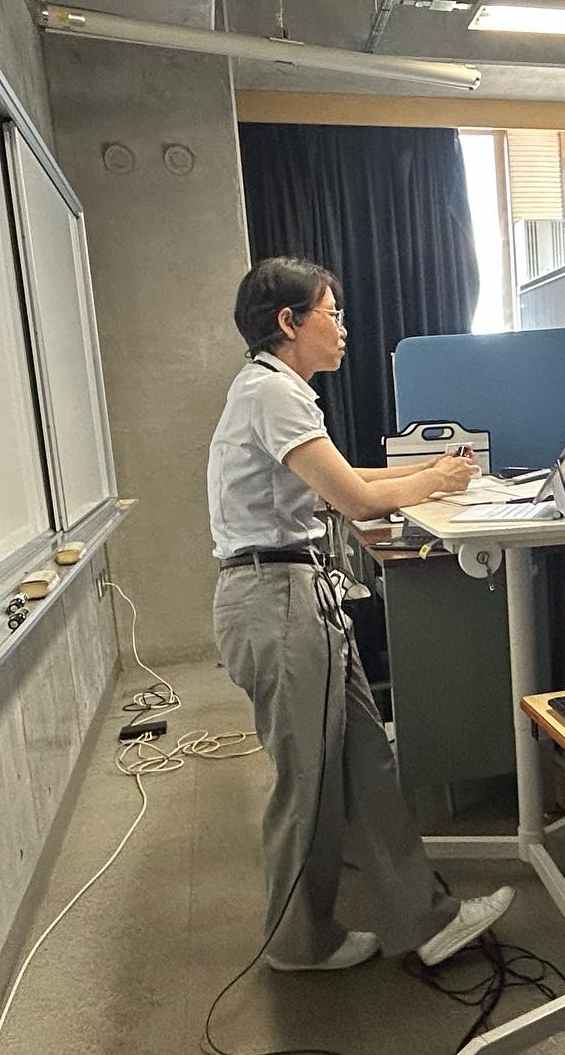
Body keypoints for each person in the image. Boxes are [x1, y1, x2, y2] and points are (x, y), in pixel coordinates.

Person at [208, 256, 514, 972]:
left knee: (367, 763)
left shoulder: (271, 390)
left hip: (290, 595)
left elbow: (343, 476)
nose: (343, 328)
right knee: (308, 783)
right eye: (332, 313)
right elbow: (357, 499)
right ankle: (298, 943)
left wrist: (433, 474)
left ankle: (425, 919)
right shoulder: (273, 394)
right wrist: (431, 480)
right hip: (276, 601)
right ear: (289, 322)